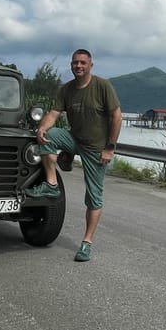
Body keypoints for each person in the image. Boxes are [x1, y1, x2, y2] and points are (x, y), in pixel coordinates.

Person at [25, 48, 122, 262]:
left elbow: (117, 117)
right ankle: (52, 183)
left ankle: (86, 243)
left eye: (83, 63)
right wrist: (42, 128)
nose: (78, 66)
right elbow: (54, 113)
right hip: (74, 138)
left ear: (90, 65)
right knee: (47, 135)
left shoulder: (102, 86)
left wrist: (110, 148)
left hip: (95, 149)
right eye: (75, 62)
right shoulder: (67, 89)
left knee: (94, 197)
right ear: (71, 65)